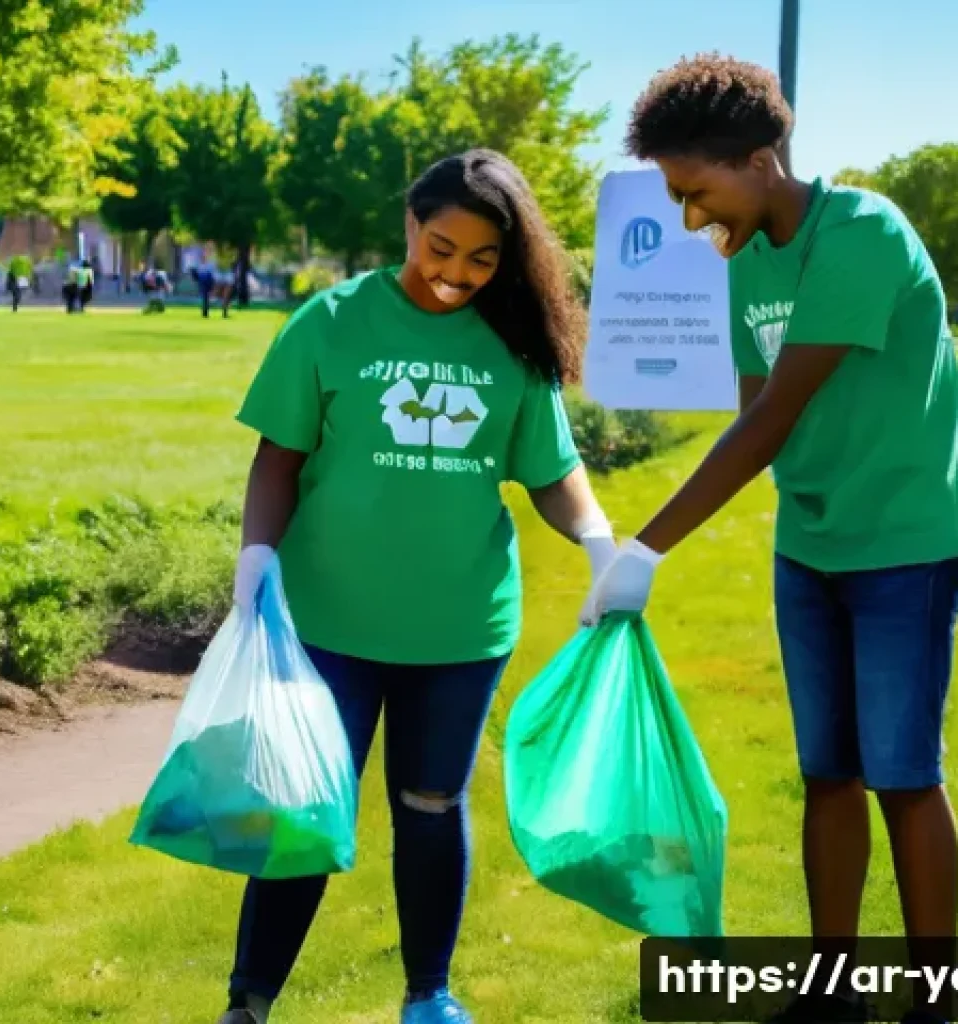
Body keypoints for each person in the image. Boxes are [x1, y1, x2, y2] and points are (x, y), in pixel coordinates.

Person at [588, 53, 958, 1024]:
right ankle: (830, 995)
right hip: (811, 548)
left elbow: (772, 418)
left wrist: (645, 546)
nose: (686, 218)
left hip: (903, 545)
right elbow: (749, 419)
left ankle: (932, 1004)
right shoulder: (745, 256)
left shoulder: (862, 234)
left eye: (694, 191)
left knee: (904, 777)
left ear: (759, 160)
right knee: (826, 773)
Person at [219, 148, 624, 1024]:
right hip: (330, 620)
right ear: (411, 223)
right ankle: (249, 1002)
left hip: (458, 631)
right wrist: (257, 555)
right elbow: (278, 458)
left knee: (431, 806)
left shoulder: (511, 344)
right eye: (442, 247)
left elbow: (551, 471)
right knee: (304, 809)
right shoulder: (330, 322)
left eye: (483, 260)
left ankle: (428, 997)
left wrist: (596, 538)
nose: (457, 275)